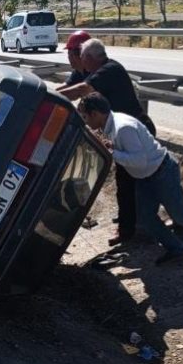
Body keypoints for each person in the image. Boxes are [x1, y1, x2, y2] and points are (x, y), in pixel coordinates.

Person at [77, 93, 183, 265]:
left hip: (161, 172)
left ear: (95, 114)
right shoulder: (110, 126)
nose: (85, 122)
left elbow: (139, 160)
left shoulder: (123, 128)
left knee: (181, 215)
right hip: (145, 177)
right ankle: (176, 248)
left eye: (85, 116)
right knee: (145, 217)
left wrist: (111, 153)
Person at [59, 38, 160, 247]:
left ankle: (129, 230)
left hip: (135, 130)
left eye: (82, 59)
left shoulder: (109, 70)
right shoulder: (96, 69)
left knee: (135, 180)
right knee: (134, 180)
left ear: (88, 58)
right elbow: (72, 86)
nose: (81, 64)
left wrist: (49, 98)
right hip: (125, 132)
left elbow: (82, 90)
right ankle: (138, 222)